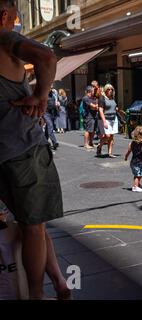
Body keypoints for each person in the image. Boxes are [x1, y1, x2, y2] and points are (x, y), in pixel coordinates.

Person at [0, 0, 70, 299]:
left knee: (34, 224)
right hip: (25, 150)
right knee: (33, 226)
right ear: (4, 16)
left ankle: (59, 282)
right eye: (16, 19)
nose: (17, 25)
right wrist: (40, 95)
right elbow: (46, 55)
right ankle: (38, 294)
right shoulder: (4, 38)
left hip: (2, 156)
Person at [124, 126, 142, 192]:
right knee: (137, 175)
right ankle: (135, 187)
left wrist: (126, 157)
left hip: (134, 162)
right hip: (139, 162)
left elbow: (128, 151)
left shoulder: (132, 143)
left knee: (139, 174)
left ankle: (138, 185)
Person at [97, 83, 119, 158]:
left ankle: (110, 153)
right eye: (108, 89)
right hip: (105, 119)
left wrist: (115, 108)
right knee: (107, 135)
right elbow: (100, 110)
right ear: (105, 90)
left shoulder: (113, 98)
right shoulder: (102, 98)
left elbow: (113, 106)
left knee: (111, 136)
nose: (110, 91)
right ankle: (99, 147)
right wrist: (104, 121)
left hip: (113, 119)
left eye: (111, 89)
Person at [82, 85, 99, 150]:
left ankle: (91, 142)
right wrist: (95, 106)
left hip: (94, 116)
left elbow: (96, 105)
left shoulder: (93, 98)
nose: (94, 92)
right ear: (90, 91)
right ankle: (86, 144)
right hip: (88, 116)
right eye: (93, 91)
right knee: (88, 130)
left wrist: (96, 106)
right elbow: (93, 106)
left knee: (93, 130)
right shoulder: (85, 98)